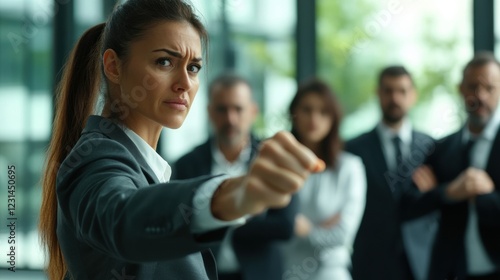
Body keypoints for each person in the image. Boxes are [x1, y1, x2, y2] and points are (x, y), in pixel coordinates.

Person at [38, 1, 323, 279]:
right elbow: (122, 218)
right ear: (113, 66)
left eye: (194, 68)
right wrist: (234, 194)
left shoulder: (148, 167)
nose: (185, 83)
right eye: (164, 61)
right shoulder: (94, 159)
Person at [173, 73, 297, 280]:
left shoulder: (272, 157)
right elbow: (180, 226)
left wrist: (221, 215)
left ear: (253, 112)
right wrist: (248, 215)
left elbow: (285, 226)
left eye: (238, 109)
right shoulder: (187, 164)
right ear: (210, 112)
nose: (230, 119)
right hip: (204, 274)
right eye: (222, 109)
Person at [411, 52, 500, 279]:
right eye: (473, 87)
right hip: (452, 270)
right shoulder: (441, 148)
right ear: (461, 89)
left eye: (489, 88)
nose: (480, 95)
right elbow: (407, 204)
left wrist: (485, 195)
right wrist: (449, 191)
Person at [346, 66, 437, 280]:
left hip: (419, 262)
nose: (395, 98)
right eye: (388, 91)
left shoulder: (431, 147)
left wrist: (433, 193)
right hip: (368, 262)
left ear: (413, 95)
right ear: (378, 94)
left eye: (402, 91)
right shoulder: (353, 149)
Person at [281, 79, 366, 280]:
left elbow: (342, 234)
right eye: (307, 110)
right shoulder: (281, 165)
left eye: (323, 112)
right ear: (294, 113)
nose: (314, 118)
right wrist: (320, 228)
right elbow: (273, 226)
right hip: (285, 272)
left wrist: (305, 229)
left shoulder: (349, 168)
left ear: (333, 118)